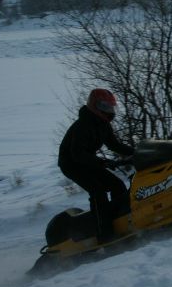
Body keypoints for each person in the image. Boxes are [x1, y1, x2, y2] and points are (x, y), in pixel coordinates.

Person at [58, 89, 135, 242]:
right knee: (98, 191)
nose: (109, 111)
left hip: (87, 161)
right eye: (105, 107)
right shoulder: (83, 125)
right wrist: (102, 162)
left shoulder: (103, 124)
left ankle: (120, 221)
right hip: (71, 164)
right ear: (95, 106)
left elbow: (114, 145)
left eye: (111, 107)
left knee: (117, 185)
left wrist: (138, 151)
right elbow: (78, 154)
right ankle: (104, 234)